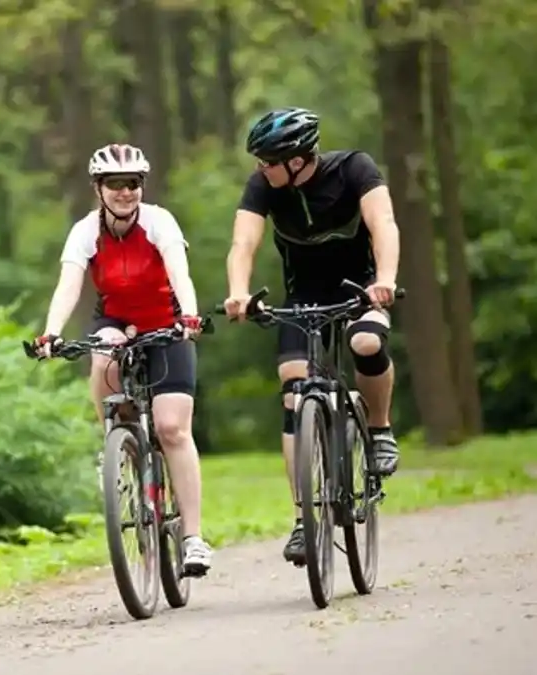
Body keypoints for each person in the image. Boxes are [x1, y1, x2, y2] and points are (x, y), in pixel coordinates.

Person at [221, 107, 401, 567]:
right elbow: (244, 242)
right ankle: (304, 517)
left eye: (268, 161)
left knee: (365, 344)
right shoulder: (264, 186)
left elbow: (383, 224)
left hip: (361, 287)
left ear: (298, 160)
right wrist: (238, 293)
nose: (261, 169)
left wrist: (384, 279)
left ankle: (379, 430)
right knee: (293, 393)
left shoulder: (354, 169)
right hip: (303, 297)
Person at [31, 142, 213, 576]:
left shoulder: (158, 221)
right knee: (103, 355)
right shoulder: (85, 231)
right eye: (114, 184)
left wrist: (188, 315)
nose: (124, 192)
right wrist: (51, 333)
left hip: (166, 321)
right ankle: (114, 442)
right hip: (116, 317)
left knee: (172, 428)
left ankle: (193, 539)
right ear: (98, 188)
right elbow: (69, 285)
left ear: (141, 186)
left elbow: (178, 271)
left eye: (132, 183)